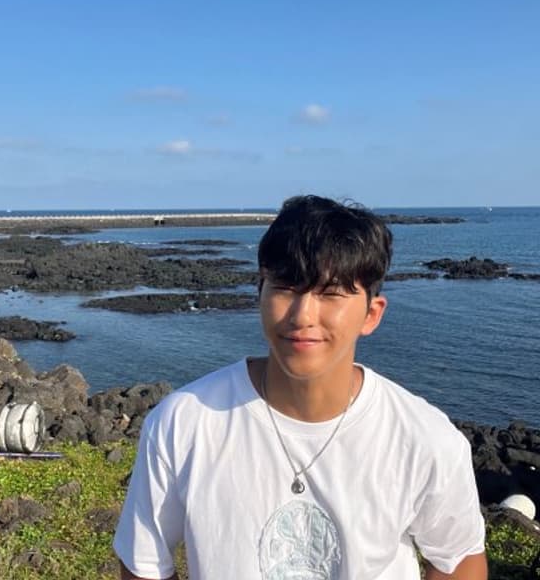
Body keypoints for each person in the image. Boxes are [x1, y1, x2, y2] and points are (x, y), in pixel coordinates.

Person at [113, 195, 487, 579]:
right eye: (285, 287)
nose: (303, 315)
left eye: (331, 293)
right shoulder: (183, 423)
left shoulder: (425, 439)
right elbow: (144, 563)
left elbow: (459, 560)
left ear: (371, 315)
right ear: (259, 293)